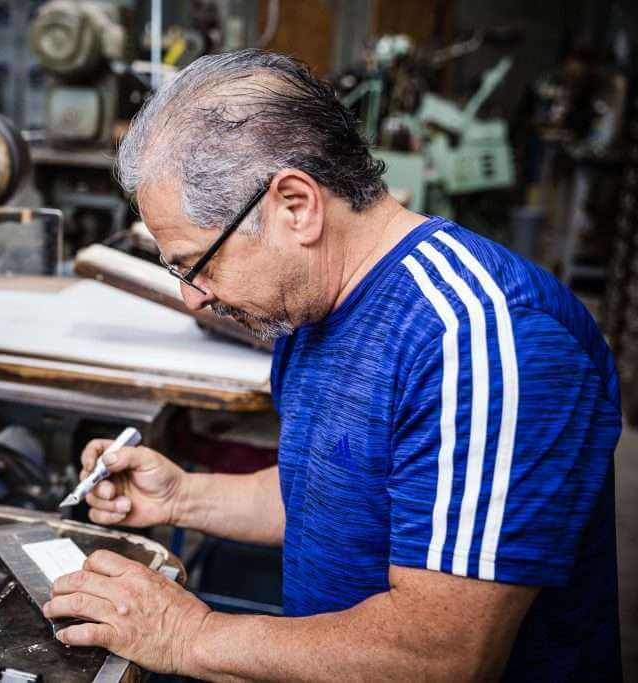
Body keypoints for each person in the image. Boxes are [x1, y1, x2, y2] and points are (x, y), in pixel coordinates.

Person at [41, 50, 622, 681]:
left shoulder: (483, 339)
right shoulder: (311, 306)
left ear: (296, 205)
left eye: (198, 262)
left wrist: (191, 634)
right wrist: (184, 496)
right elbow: (333, 492)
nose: (192, 295)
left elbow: (443, 654)